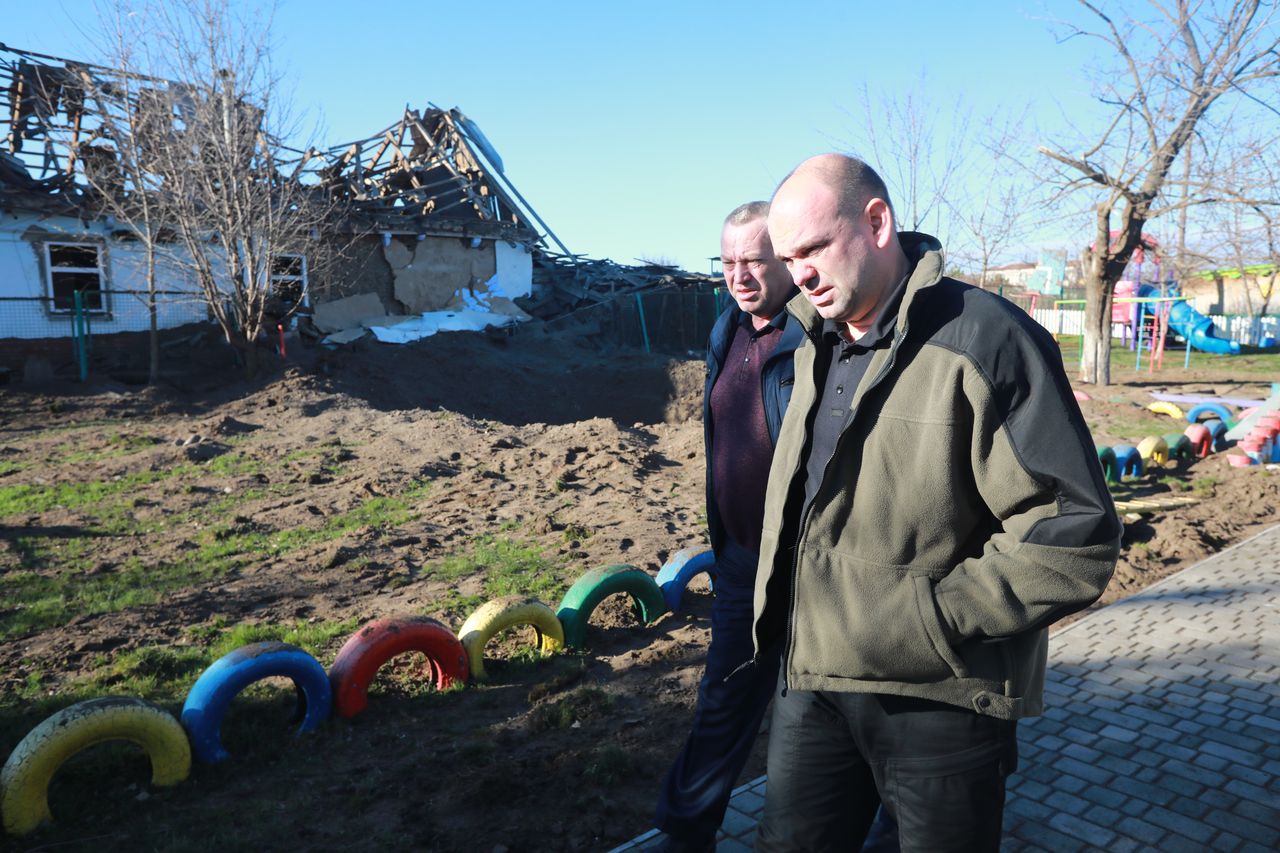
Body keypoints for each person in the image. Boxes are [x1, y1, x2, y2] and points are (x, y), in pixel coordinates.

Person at [750, 154, 1121, 852]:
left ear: (877, 222)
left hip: (939, 697)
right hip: (814, 679)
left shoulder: (987, 338)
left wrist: (927, 621)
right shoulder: (813, 341)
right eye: (789, 257)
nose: (799, 274)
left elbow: (1075, 531)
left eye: (814, 248)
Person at [652, 201, 802, 852]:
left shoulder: (816, 336)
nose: (738, 276)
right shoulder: (726, 330)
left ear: (787, 259)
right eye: (728, 261)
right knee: (723, 702)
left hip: (806, 567)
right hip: (741, 561)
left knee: (833, 717)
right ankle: (687, 832)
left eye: (754, 261)